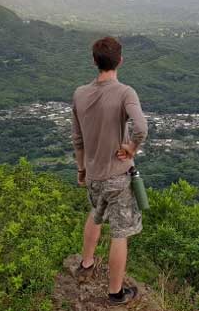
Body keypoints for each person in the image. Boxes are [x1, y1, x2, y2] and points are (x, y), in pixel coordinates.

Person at [71, 36, 148, 306]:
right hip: (117, 176)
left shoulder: (80, 94)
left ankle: (86, 263)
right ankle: (115, 293)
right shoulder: (125, 92)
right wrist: (131, 148)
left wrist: (81, 169)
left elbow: (78, 139)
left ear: (94, 62)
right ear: (120, 61)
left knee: (95, 214)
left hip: (93, 175)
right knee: (120, 234)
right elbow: (141, 127)